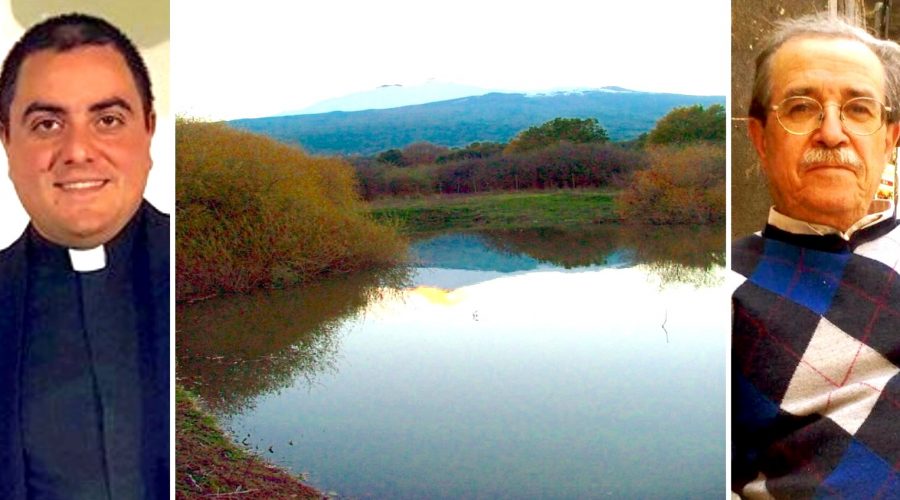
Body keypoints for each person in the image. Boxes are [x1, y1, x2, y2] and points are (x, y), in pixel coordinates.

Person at [0, 13, 169, 499]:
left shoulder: (197, 271)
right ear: (8, 141)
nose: (77, 151)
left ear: (148, 131)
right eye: (47, 124)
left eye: (108, 120)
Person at [732, 13, 900, 498]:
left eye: (859, 109)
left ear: (890, 139)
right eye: (802, 108)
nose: (831, 133)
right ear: (761, 138)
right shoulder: (727, 282)